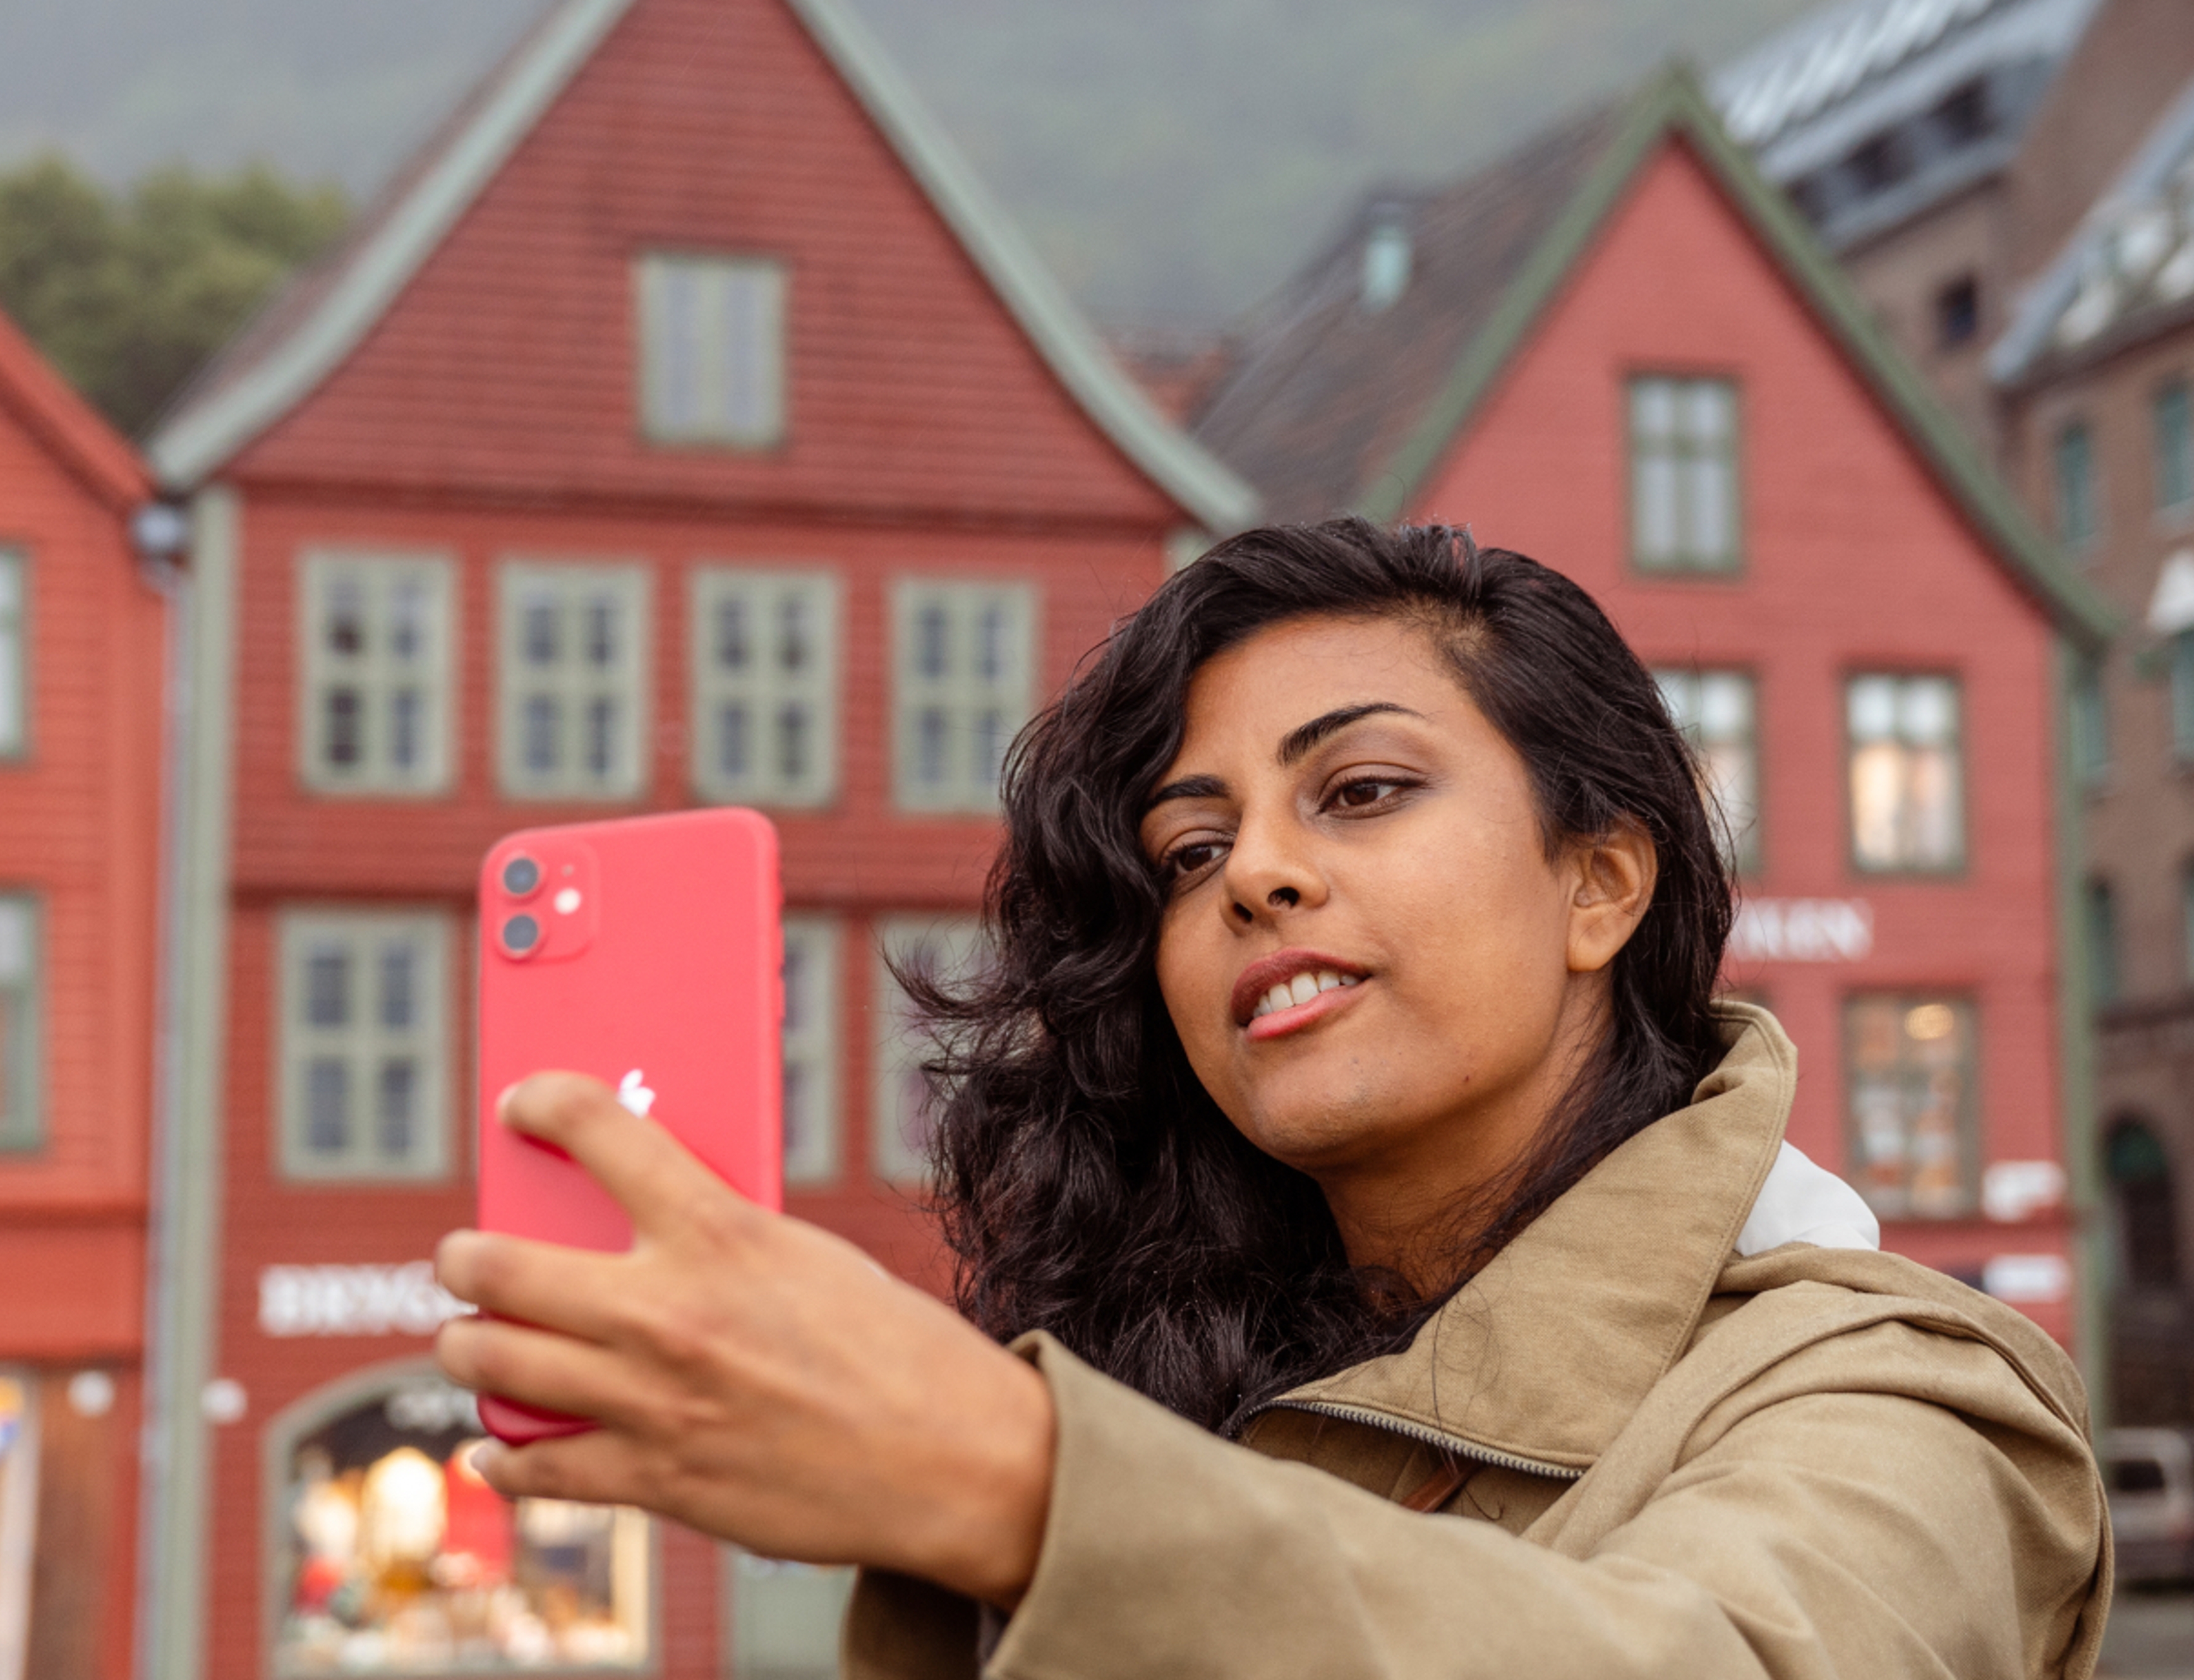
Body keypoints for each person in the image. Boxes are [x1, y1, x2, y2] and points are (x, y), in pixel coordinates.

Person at [434, 520, 2110, 1678]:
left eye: (1361, 790)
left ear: (1599, 884)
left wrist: (1015, 1484)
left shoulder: (1895, 1393)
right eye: (1191, 851)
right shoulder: (1184, 1392)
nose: (1260, 879)